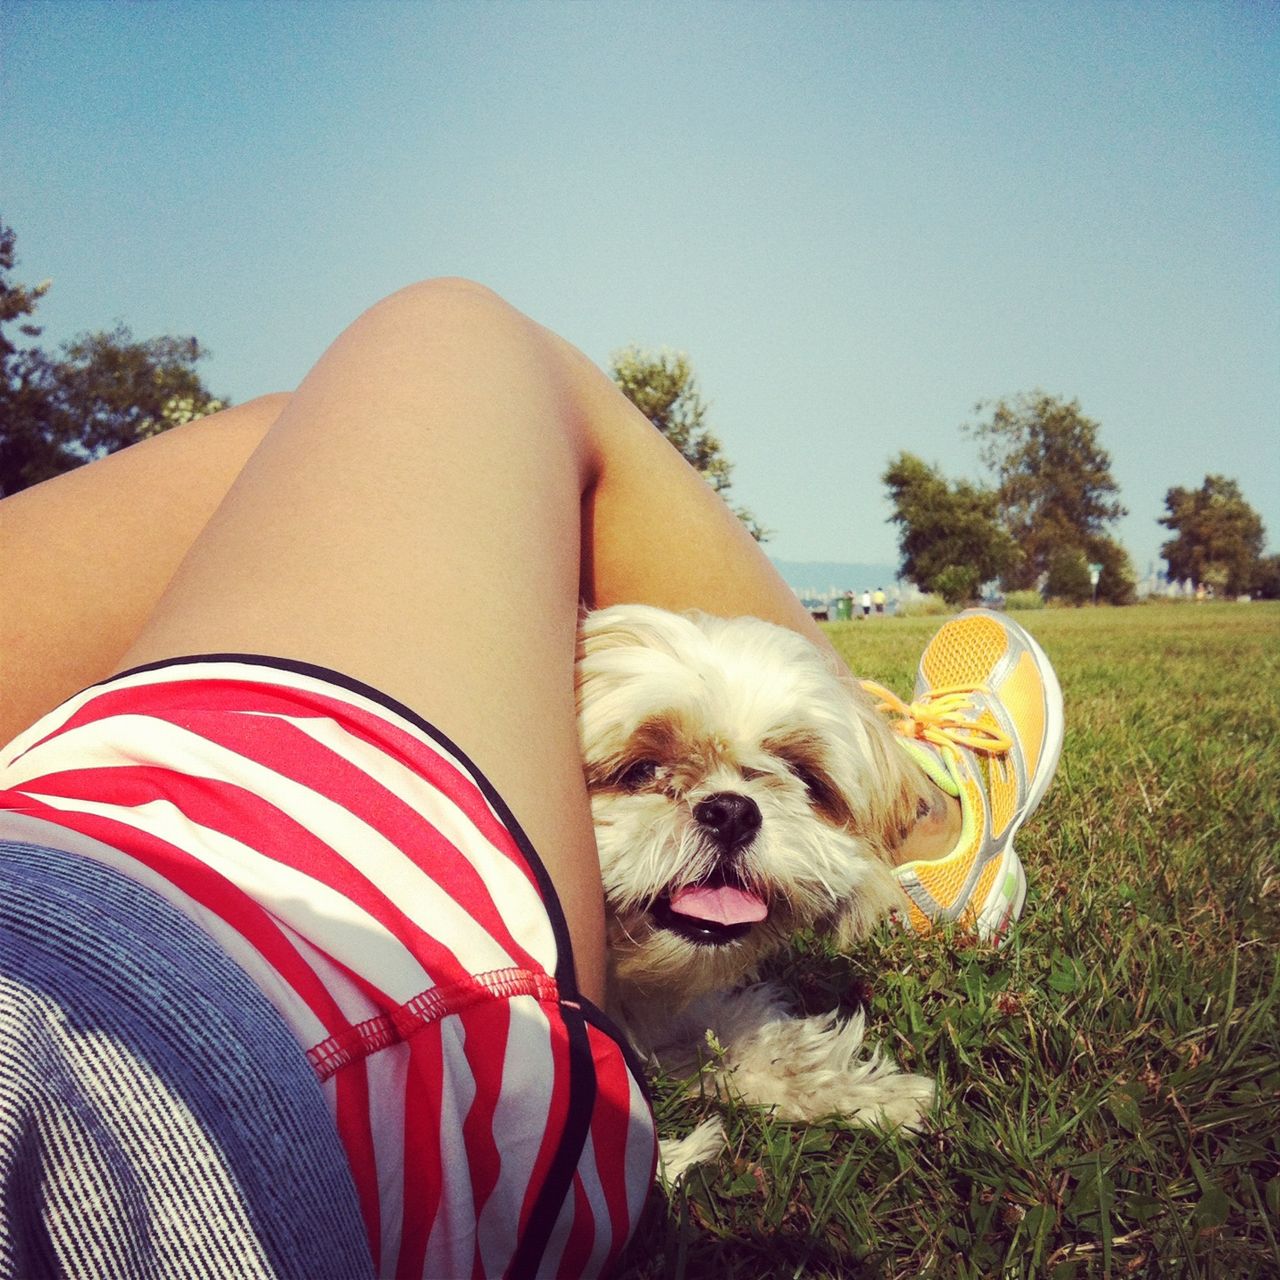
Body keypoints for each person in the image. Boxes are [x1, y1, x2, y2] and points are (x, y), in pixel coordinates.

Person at [0, 279, 1061, 1278]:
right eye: (642, 768)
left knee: (292, 438)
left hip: (51, 884)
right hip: (162, 1030)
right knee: (459, 338)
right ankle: (927, 826)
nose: (725, 810)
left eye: (795, 775)